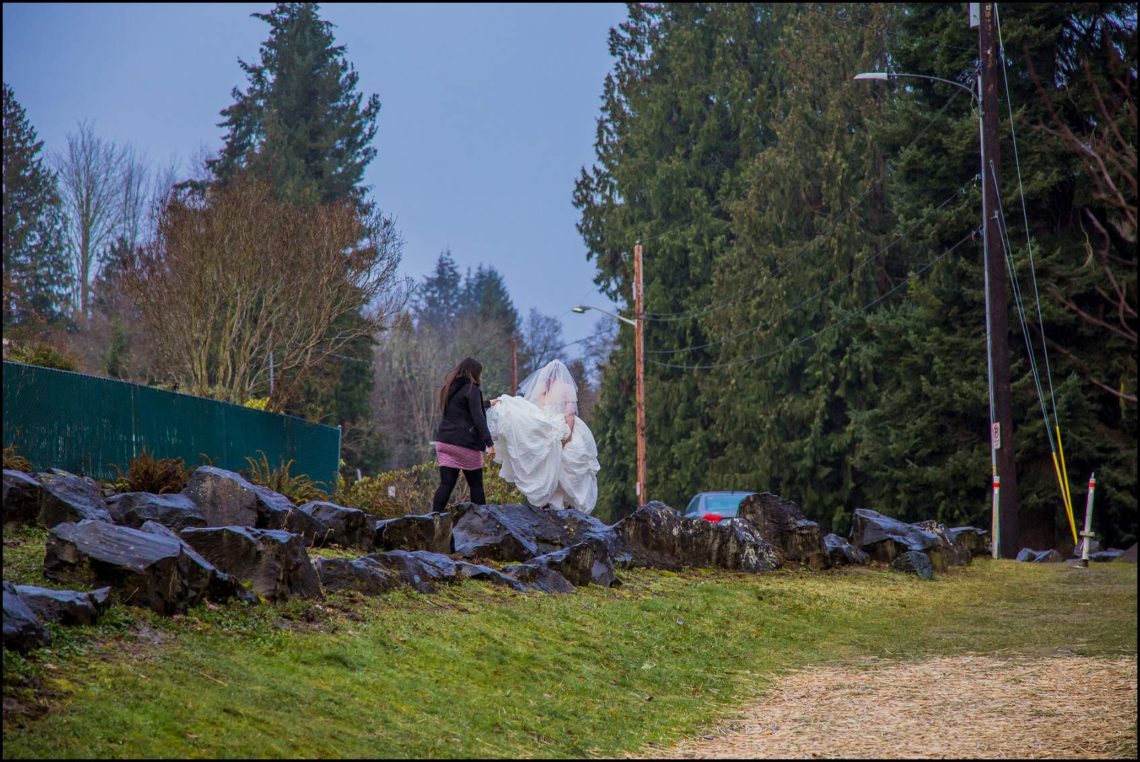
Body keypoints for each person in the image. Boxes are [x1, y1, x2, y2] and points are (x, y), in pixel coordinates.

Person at [486, 359, 600, 513]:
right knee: (570, 463)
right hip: (561, 424)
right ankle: (568, 504)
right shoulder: (567, 388)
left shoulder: (541, 388)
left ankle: (549, 501)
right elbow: (570, 414)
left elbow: (531, 409)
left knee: (546, 464)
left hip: (546, 423)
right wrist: (569, 435)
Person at [431, 357, 495, 513]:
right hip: (464, 444)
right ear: (474, 373)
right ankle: (482, 522)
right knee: (476, 485)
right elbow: (478, 417)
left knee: (446, 484)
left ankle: (433, 519)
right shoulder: (472, 389)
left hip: (444, 442)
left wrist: (488, 403)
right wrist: (490, 444)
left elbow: (463, 407)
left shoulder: (449, 388)